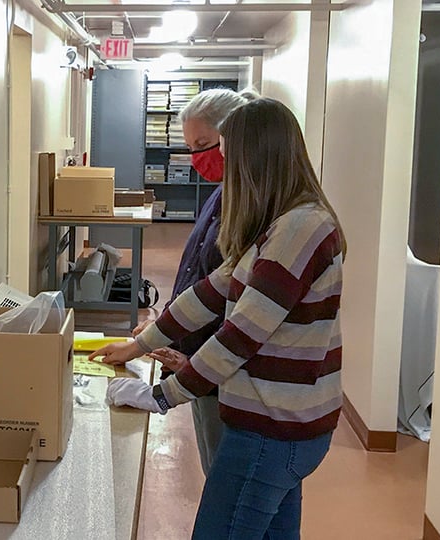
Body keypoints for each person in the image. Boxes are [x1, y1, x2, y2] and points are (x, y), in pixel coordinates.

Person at [90, 98, 346, 539]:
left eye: (229, 155)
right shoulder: (276, 222)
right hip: (278, 425)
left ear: (256, 158)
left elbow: (240, 335)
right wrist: (142, 344)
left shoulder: (301, 229)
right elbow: (210, 292)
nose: (223, 166)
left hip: (272, 429)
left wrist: (161, 396)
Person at [139, 88, 257, 476]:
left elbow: (234, 302)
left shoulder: (257, 208)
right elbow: (200, 279)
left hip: (226, 372)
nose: (196, 160)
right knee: (215, 466)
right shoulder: (223, 194)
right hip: (200, 364)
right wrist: (162, 334)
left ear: (233, 137)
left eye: (204, 145)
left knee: (228, 481)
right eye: (190, 148)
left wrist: (172, 383)